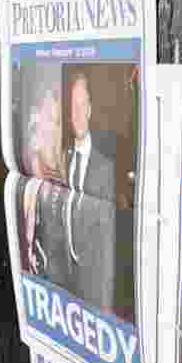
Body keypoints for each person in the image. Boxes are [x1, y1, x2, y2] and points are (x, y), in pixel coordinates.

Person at [63, 73, 116, 312]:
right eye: (73, 106)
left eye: (83, 105)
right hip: (66, 284)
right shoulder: (62, 159)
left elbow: (108, 250)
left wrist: (104, 308)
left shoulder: (106, 168)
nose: (78, 113)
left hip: (93, 291)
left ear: (90, 110)